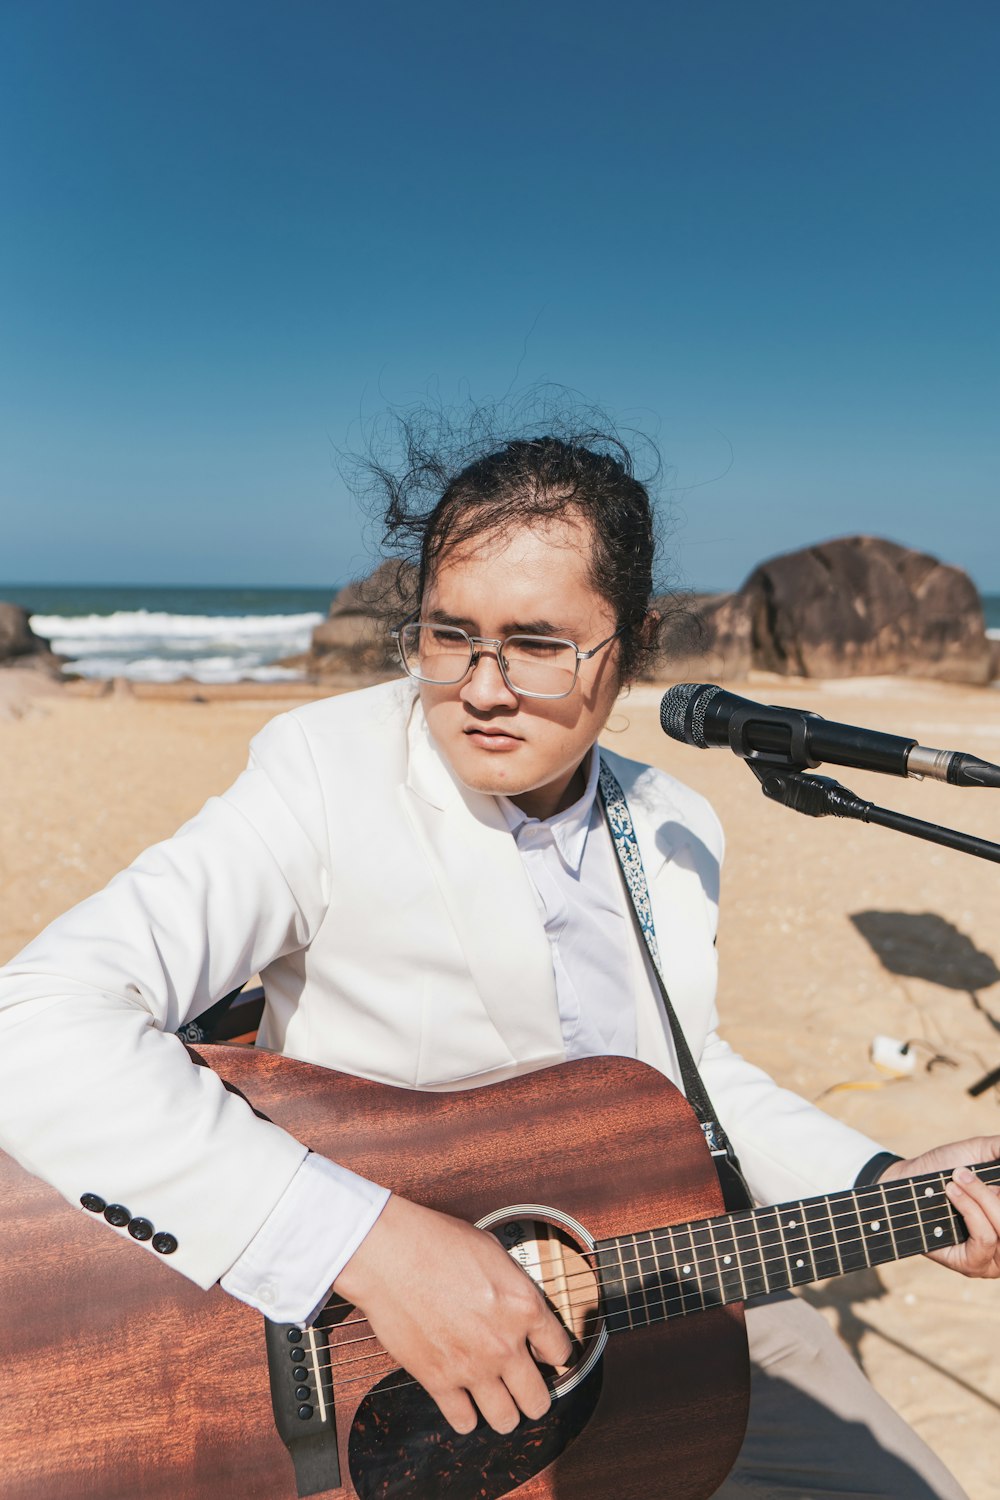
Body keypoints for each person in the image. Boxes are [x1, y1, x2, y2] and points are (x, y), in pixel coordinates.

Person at [0, 429, 997, 1499]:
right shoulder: (324, 774)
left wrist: (880, 1181)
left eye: (536, 643)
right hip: (355, 1349)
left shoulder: (675, 825)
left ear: (633, 642)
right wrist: (367, 1247)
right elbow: (40, 1018)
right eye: (450, 635)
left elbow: (689, 1077)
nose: (480, 688)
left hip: (673, 1287)